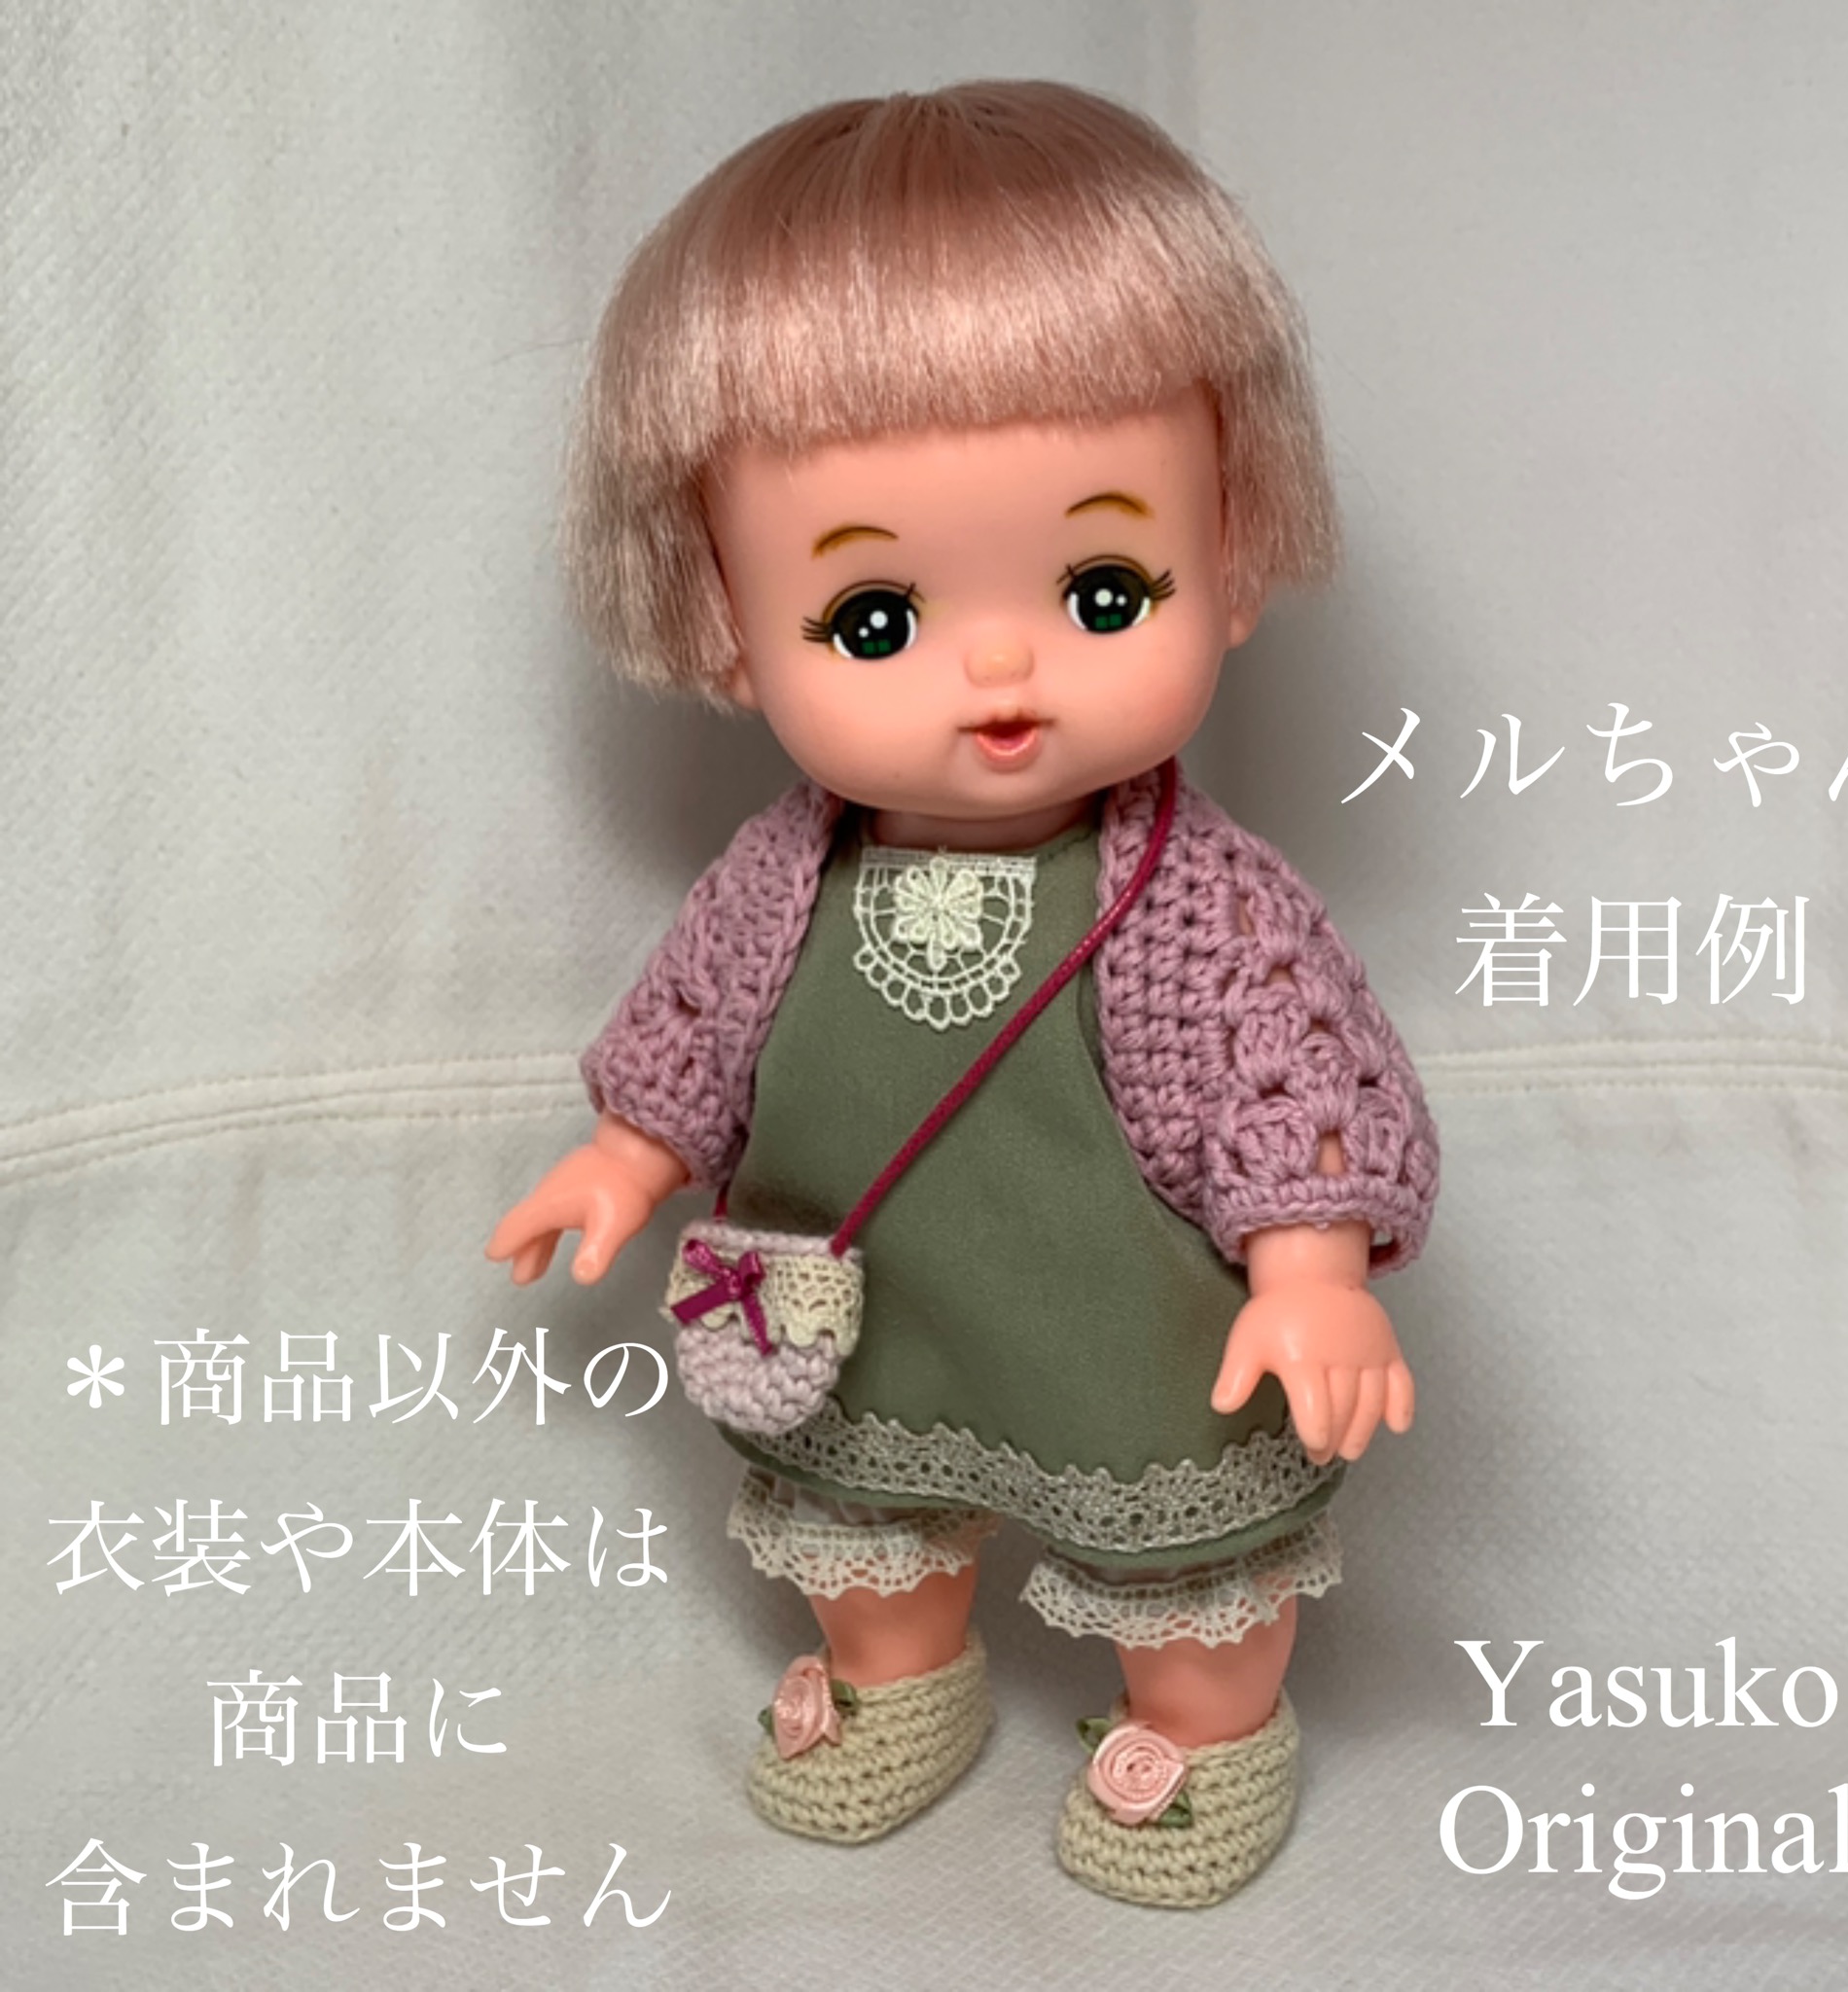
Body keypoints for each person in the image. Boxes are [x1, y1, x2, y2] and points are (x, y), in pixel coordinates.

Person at [487, 80, 1439, 1908]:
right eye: (874, 620)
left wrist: (1312, 1273)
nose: (999, 664)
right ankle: (898, 1678)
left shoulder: (1201, 905)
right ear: (722, 620)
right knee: (862, 1522)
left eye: (1104, 587)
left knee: (1187, 1556)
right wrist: (623, 1153)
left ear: (1230, 549)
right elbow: (697, 1026)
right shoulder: (782, 879)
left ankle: (1204, 1728)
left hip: (1132, 1325)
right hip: (870, 1305)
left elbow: (1292, 1083)